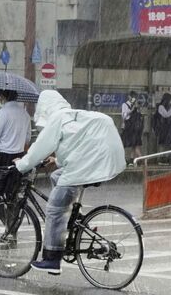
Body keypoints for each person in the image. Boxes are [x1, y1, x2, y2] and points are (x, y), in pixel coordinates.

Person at [13, 90, 125, 274]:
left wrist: (21, 165)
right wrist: (56, 161)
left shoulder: (57, 118)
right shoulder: (72, 116)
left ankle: (52, 259)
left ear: (45, 107)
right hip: (102, 157)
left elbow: (39, 147)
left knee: (55, 209)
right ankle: (75, 218)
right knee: (57, 176)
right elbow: (78, 144)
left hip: (88, 164)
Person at [0, 89, 31, 206]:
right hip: (19, 158)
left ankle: (6, 218)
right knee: (12, 192)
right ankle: (13, 217)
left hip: (3, 159)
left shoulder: (3, 113)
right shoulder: (25, 114)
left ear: (2, 96)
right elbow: (27, 139)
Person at [120, 91, 144, 163]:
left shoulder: (136, 105)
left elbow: (139, 116)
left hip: (136, 128)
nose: (134, 99)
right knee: (134, 144)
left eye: (135, 97)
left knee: (135, 144)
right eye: (133, 97)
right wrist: (132, 110)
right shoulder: (125, 105)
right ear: (129, 97)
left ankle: (132, 159)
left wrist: (138, 108)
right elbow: (124, 116)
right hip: (129, 128)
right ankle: (141, 160)